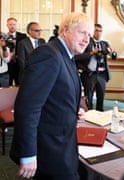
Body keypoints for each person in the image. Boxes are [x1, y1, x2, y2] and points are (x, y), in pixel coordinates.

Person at [10, 12, 93, 179]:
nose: (87, 39)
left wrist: (75, 109)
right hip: (50, 148)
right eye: (82, 32)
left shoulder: (66, 56)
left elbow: (58, 94)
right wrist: (28, 153)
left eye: (89, 35)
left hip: (63, 142)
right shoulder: (48, 54)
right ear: (65, 30)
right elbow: (27, 107)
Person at [75, 24, 115, 111]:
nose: (99, 33)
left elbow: (114, 57)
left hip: (102, 74)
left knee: (101, 97)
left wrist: (112, 53)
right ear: (92, 31)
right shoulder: (86, 42)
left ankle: (100, 116)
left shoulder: (105, 44)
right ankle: (89, 116)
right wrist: (92, 53)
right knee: (89, 98)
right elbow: (77, 57)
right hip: (90, 74)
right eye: (96, 30)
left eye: (100, 31)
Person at [6, 17, 27, 86]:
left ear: (16, 25)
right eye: (10, 24)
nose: (12, 26)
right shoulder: (3, 37)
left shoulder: (23, 36)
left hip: (19, 64)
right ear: (7, 25)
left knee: (19, 84)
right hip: (7, 64)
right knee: (7, 84)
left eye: (14, 24)